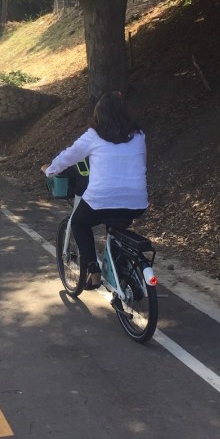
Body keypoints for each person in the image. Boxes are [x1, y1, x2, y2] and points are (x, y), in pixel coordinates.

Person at [42, 91, 147, 290]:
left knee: (79, 222)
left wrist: (50, 170)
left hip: (102, 200)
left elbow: (68, 156)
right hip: (136, 201)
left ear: (99, 114)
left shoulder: (93, 136)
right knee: (116, 224)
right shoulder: (139, 135)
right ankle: (119, 266)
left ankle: (94, 271)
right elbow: (141, 164)